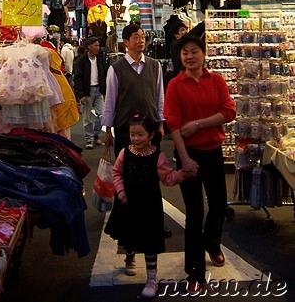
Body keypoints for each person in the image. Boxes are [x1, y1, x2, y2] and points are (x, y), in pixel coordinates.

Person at [164, 35, 236, 295]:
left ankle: (212, 244)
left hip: (213, 151)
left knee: (218, 204)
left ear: (203, 54)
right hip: (189, 153)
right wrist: (184, 159)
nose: (190, 56)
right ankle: (194, 272)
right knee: (194, 212)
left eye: (194, 51)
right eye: (185, 53)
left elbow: (228, 112)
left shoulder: (215, 80)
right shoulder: (175, 85)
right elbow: (173, 125)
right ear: (180, 57)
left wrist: (198, 124)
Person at [104, 112, 192, 298]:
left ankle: (152, 278)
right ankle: (130, 256)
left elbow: (168, 178)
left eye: (140, 134)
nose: (135, 138)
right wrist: (121, 191)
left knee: (151, 241)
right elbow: (117, 173)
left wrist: (183, 174)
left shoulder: (157, 157)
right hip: (127, 204)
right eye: (132, 134)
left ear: (151, 134)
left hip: (149, 206)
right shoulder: (125, 153)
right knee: (128, 236)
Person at [103, 22, 165, 157]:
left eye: (142, 37)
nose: (141, 41)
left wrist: (160, 124)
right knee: (126, 168)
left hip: (150, 126)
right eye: (136, 37)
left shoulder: (155, 66)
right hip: (125, 128)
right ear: (126, 41)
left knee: (151, 167)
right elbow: (110, 101)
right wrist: (108, 131)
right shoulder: (116, 69)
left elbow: (159, 97)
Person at [73, 36, 106, 149]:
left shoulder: (100, 59)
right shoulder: (81, 61)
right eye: (96, 45)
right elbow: (77, 78)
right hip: (87, 91)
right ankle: (89, 139)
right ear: (89, 47)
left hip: (98, 90)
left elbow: (103, 75)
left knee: (102, 115)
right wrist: (80, 94)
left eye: (98, 45)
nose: (98, 48)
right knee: (87, 118)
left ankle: (95, 134)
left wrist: (104, 90)